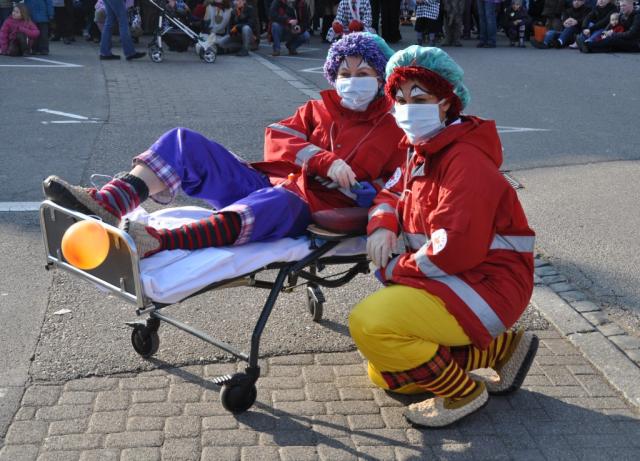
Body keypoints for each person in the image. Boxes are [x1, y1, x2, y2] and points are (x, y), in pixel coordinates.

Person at [43, 33, 406, 259]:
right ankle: (111, 202)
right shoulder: (317, 108)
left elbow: (397, 186)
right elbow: (277, 136)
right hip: (271, 182)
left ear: (381, 79)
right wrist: (324, 160)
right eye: (344, 74)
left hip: (310, 207)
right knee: (182, 141)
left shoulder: (395, 128)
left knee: (276, 201)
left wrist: (364, 194)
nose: (351, 82)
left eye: (363, 74)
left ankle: (160, 241)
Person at [349, 45, 538, 427]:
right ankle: (501, 350)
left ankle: (462, 393)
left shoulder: (464, 159)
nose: (407, 108)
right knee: (385, 371)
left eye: (419, 99)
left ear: (447, 102)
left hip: (485, 286)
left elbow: (454, 249)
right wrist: (383, 225)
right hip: (458, 278)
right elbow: (391, 192)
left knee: (370, 324)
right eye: (401, 99)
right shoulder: (422, 149)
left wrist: (394, 270)